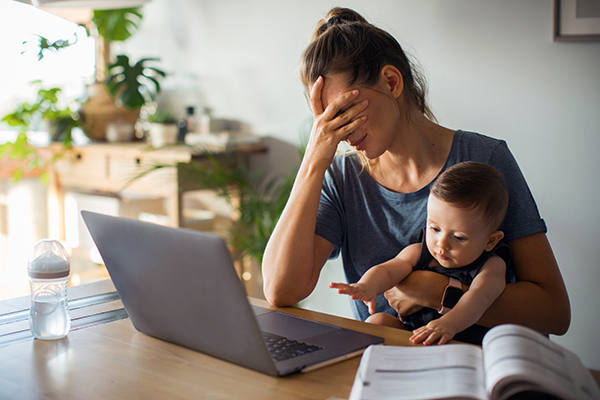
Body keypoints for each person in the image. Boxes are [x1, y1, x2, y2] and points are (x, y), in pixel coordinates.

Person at [262, 7, 570, 338]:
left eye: (344, 112)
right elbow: (281, 291)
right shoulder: (341, 177)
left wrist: (436, 290)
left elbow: (553, 313)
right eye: (325, 119)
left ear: (391, 82)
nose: (339, 133)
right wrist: (313, 161)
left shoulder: (485, 160)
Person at [330, 162, 510, 345]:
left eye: (459, 237)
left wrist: (449, 324)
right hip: (416, 336)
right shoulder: (420, 252)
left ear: (490, 241)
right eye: (434, 228)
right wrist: (367, 286)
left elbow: (479, 298)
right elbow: (387, 270)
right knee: (377, 322)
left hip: (461, 343)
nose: (442, 244)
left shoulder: (491, 266)